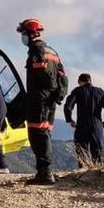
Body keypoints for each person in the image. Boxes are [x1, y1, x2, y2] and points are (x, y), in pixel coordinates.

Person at [19, 18, 68, 185]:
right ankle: (43, 172)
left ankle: (45, 174)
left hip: (39, 100)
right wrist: (60, 93)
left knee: (37, 135)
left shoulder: (37, 50)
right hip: (50, 101)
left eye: (23, 34)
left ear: (31, 34)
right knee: (45, 133)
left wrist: (52, 89)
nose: (22, 37)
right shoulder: (52, 50)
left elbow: (44, 73)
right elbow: (62, 75)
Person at [64, 73, 104, 165]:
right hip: (97, 126)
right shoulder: (100, 92)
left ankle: (84, 172)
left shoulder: (77, 91)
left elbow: (68, 106)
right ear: (90, 81)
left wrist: (69, 120)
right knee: (97, 151)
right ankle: (97, 174)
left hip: (82, 125)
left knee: (82, 151)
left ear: (80, 82)